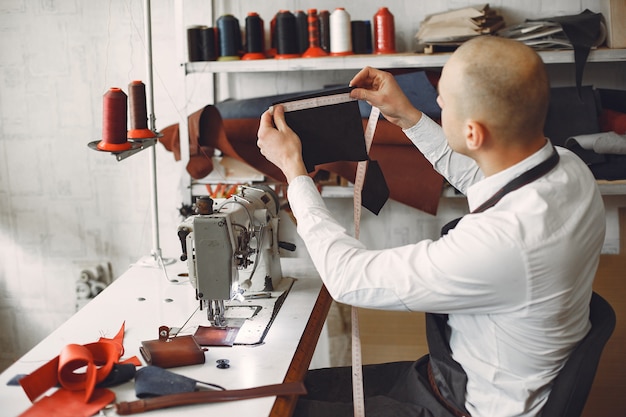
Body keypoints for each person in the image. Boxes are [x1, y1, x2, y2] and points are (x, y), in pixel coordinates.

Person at [256, 36, 605, 417]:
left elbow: (346, 278)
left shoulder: (501, 243)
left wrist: (294, 172)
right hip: (466, 374)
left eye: (444, 100)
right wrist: (408, 116)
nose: (436, 102)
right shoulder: (569, 169)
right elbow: (481, 172)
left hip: (465, 407)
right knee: (295, 390)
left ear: (473, 133)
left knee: (275, 409)